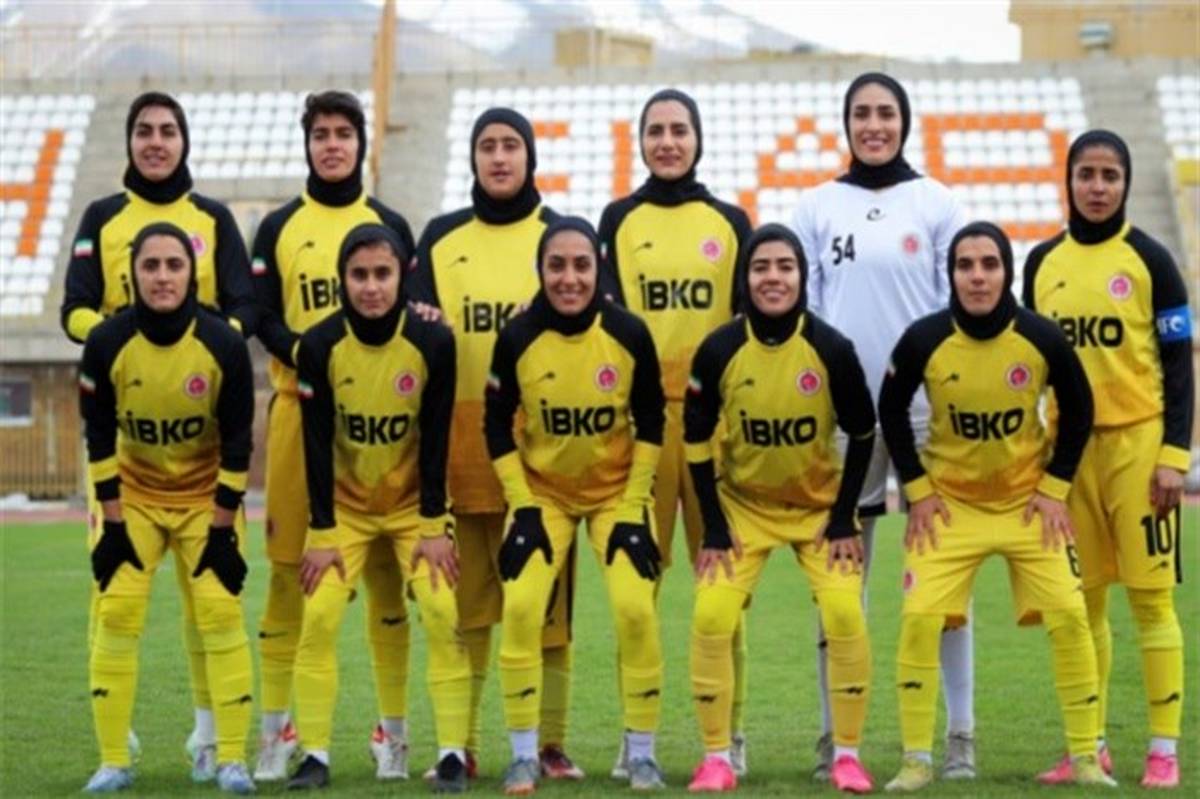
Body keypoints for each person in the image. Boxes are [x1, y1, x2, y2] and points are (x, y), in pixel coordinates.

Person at [61, 91, 256, 781]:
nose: (155, 141)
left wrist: (198, 342)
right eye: (143, 130)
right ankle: (115, 750)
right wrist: (125, 341)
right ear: (129, 140)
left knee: (212, 606)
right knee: (114, 601)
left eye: (168, 130)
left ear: (184, 140)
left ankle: (215, 743)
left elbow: (244, 307)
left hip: (202, 444)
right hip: (127, 448)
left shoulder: (214, 218)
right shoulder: (102, 217)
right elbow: (73, 311)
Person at [877, 221, 1111, 791]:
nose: (977, 276)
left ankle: (1085, 756)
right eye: (965, 265)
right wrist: (917, 489)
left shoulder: (1042, 337)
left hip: (1027, 507)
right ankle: (916, 760)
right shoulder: (923, 339)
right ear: (951, 273)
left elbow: (1080, 409)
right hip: (949, 509)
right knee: (919, 621)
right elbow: (890, 408)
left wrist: (1055, 487)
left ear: (1007, 272)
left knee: (1071, 616)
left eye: (989, 264)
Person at [790, 72, 974, 780]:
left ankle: (959, 736)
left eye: (886, 113)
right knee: (841, 584)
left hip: (928, 415)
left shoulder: (937, 202)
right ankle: (836, 737)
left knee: (943, 584)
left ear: (905, 121)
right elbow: (800, 307)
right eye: (861, 113)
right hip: (845, 419)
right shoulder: (816, 205)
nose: (874, 125)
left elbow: (966, 300)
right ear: (846, 123)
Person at [405, 108, 579, 781]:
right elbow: (416, 335)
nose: (500, 157)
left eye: (511, 145)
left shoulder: (558, 235)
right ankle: (463, 745)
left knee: (548, 617)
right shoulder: (440, 238)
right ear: (473, 157)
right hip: (464, 453)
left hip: (544, 462)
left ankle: (551, 744)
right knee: (469, 611)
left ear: (530, 156)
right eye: (488, 146)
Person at [251, 90, 417, 782]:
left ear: (361, 143)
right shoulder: (279, 226)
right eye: (320, 134)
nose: (332, 145)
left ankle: (391, 732)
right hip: (301, 409)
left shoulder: (390, 224)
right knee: (291, 576)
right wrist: (310, 352)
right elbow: (259, 315)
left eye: (343, 133)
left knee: (386, 580)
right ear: (307, 143)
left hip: (382, 422)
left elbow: (415, 313)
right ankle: (277, 731)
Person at [1023, 130, 1193, 789]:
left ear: (1125, 183)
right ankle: (1088, 748)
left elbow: (1179, 368)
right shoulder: (1041, 263)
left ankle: (1163, 750)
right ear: (1068, 180)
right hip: (1070, 458)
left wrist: (1174, 455)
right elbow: (1033, 367)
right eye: (1087, 174)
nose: (1097, 187)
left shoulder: (1153, 260)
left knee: (1151, 603)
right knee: (1080, 606)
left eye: (1110, 175)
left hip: (1140, 450)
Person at [683, 224, 876, 794]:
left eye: (784, 267)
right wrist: (714, 525)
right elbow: (695, 439)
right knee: (711, 616)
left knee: (844, 615)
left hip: (818, 511)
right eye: (761, 267)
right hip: (743, 508)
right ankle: (717, 758)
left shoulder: (832, 349)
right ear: (744, 278)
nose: (773, 278)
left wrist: (843, 517)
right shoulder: (718, 349)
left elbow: (863, 432)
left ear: (802, 276)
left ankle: (847, 756)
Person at [597, 88, 753, 778]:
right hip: (644, 428)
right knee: (639, 589)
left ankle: (733, 734)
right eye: (655, 130)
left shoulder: (730, 222)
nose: (667, 141)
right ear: (640, 141)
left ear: (698, 138)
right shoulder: (618, 219)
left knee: (724, 587)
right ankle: (637, 736)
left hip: (711, 426)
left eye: (678, 129)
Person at [284, 223, 470, 792]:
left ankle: (452, 755)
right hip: (346, 509)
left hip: (416, 506)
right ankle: (314, 755)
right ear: (342, 279)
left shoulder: (433, 342)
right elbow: (316, 443)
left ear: (401, 276)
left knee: (441, 610)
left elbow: (435, 439)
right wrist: (321, 532)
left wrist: (435, 526)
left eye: (382, 274)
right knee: (319, 615)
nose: (371, 287)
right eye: (359, 275)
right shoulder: (318, 346)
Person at [484, 217, 667, 794]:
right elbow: (495, 424)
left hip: (616, 495)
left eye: (581, 265)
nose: (569, 278)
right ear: (540, 269)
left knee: (636, 611)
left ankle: (642, 755)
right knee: (521, 609)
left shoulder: (629, 333)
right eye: (557, 265)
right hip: (543, 497)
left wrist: (634, 506)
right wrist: (523, 506)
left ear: (599, 268)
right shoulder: (517, 337)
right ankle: (522, 755)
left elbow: (652, 421)